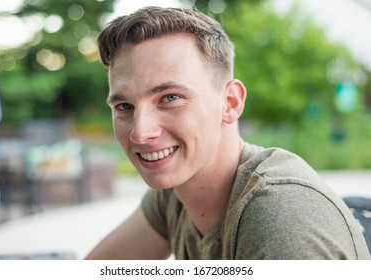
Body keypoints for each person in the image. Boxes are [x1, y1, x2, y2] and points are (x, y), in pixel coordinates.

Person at [85, 6, 370, 260]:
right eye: (124, 105)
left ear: (230, 102)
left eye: (170, 98)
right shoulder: (175, 191)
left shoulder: (281, 217)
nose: (140, 132)